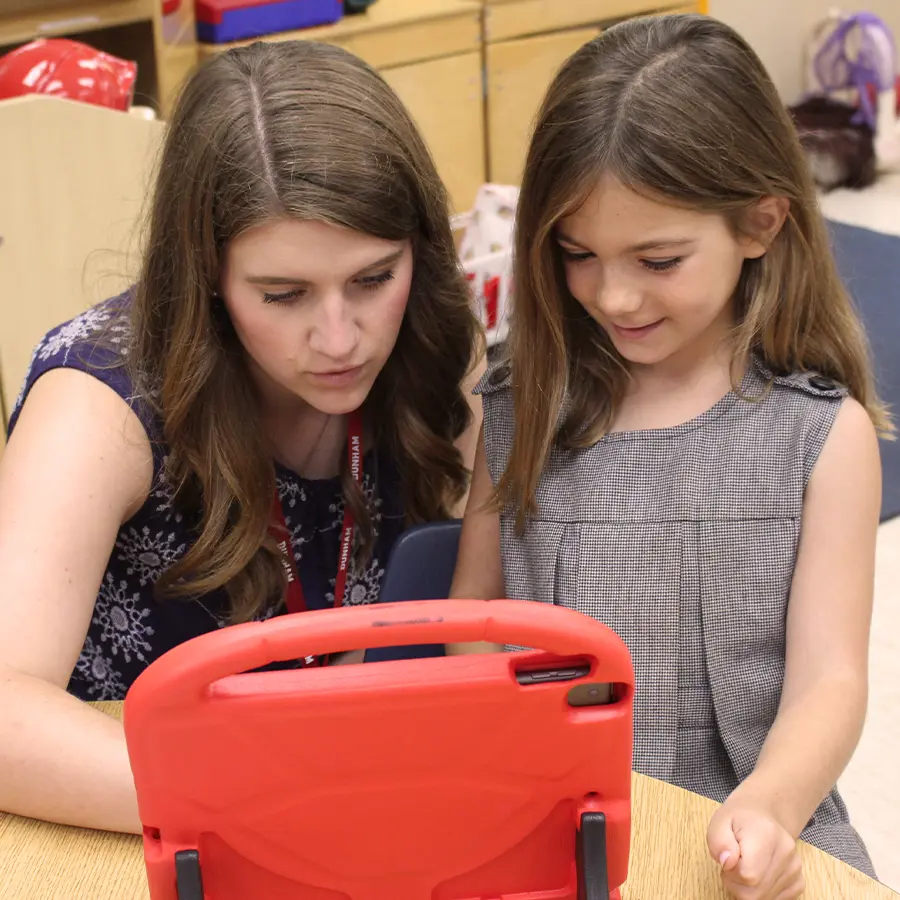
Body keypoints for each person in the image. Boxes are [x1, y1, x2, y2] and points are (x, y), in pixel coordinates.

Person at [449, 13, 885, 898]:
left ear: (761, 224)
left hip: (762, 822)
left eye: (658, 258)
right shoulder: (521, 408)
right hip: (551, 822)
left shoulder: (820, 435)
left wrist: (770, 804)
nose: (613, 294)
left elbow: (830, 681)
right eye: (578, 255)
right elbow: (474, 616)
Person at [0, 40, 483, 834]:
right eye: (283, 293)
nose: (340, 339)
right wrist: (271, 800)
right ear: (208, 278)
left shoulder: (433, 348)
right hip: (136, 821)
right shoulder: (98, 401)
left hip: (347, 802)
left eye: (372, 278)